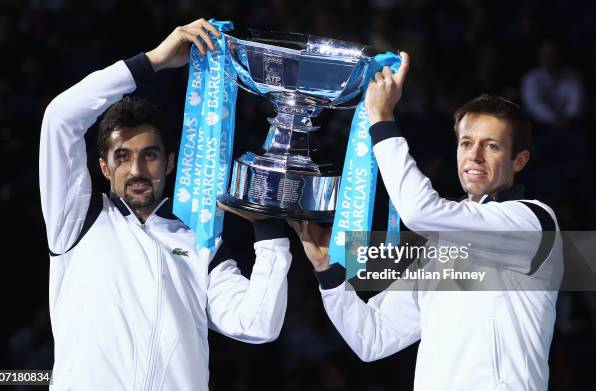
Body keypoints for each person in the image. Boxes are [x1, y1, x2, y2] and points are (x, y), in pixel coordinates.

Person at [39, 19, 291, 390]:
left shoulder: (201, 242)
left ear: (170, 162)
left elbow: (257, 324)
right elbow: (60, 118)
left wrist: (269, 230)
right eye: (122, 157)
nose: (137, 169)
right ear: (104, 167)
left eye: (150, 156)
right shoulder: (77, 221)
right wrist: (152, 61)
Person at [290, 52, 563, 390]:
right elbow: (373, 337)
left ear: (518, 160)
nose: (474, 156)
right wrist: (327, 272)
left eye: (491, 146)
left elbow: (419, 211)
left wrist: (381, 119)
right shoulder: (441, 247)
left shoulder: (530, 221)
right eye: (466, 143)